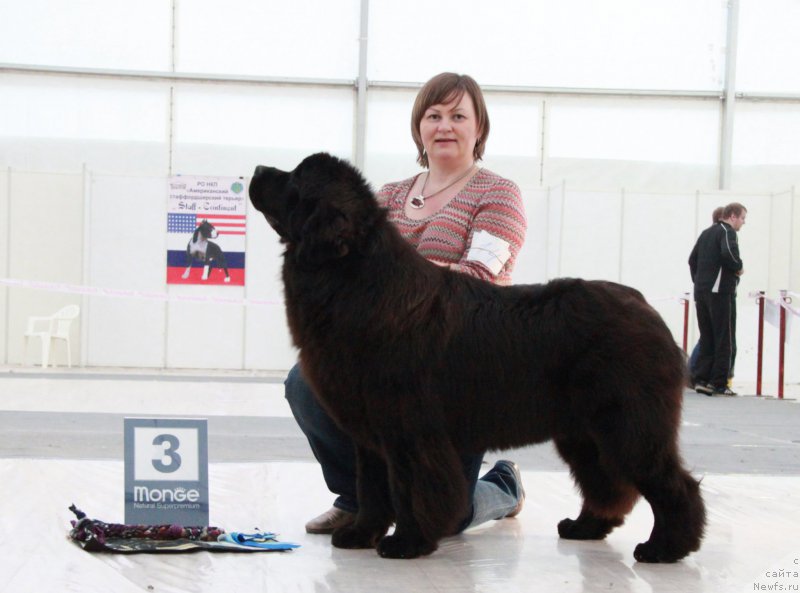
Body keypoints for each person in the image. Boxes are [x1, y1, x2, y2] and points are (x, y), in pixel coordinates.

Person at [285, 72, 528, 535]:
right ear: (419, 126)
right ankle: (358, 497)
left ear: (480, 128)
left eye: (458, 116)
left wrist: (387, 283)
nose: (444, 126)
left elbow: (478, 278)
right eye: (433, 115)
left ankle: (503, 486)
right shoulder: (388, 196)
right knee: (305, 382)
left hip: (458, 364)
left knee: (446, 516)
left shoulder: (499, 194)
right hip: (381, 357)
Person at [688, 202, 747, 396]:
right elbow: (728, 253)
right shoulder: (727, 232)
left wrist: (699, 282)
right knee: (724, 337)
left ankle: (702, 378)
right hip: (720, 292)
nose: (743, 223)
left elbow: (692, 260)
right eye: (742, 218)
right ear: (732, 216)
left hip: (701, 291)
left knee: (707, 335)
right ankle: (719, 382)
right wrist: (738, 266)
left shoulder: (705, 233)